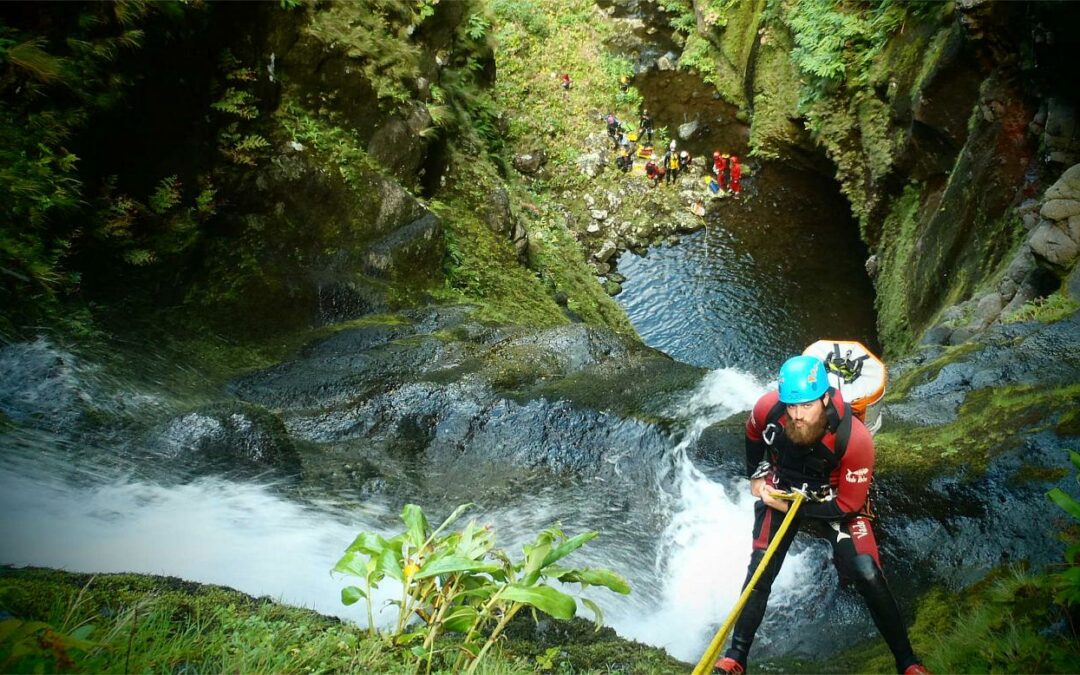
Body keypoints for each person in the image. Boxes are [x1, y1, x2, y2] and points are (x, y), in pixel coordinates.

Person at [713, 355, 928, 675]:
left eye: (807, 406)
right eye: (792, 406)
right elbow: (753, 433)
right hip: (783, 487)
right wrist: (756, 475)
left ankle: (907, 662)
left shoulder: (854, 439)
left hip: (831, 496)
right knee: (760, 568)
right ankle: (736, 657)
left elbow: (848, 506)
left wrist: (785, 506)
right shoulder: (768, 409)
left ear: (825, 398)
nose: (797, 416)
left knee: (867, 571)